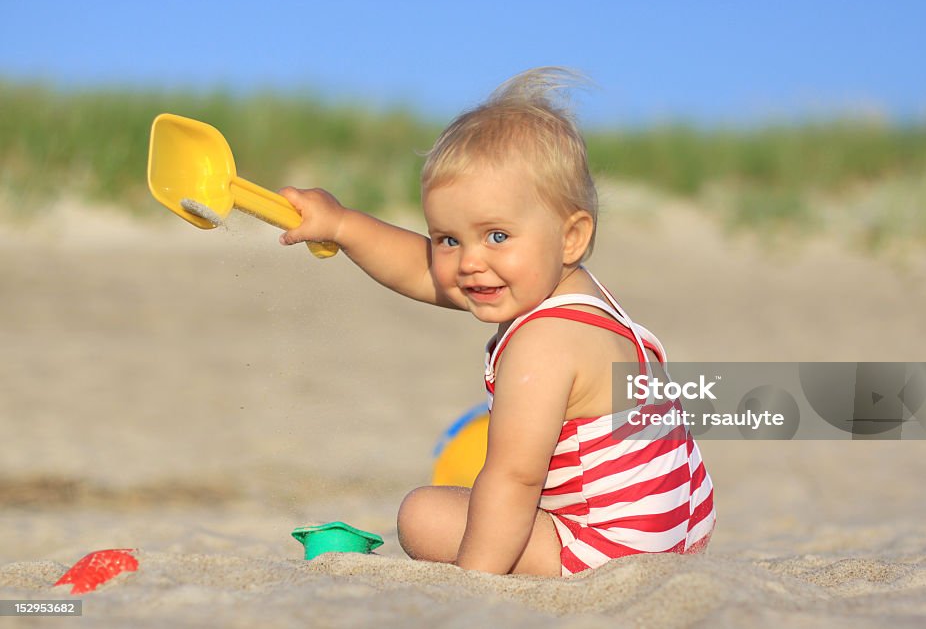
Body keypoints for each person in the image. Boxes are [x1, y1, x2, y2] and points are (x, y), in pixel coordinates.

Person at [278, 67, 715, 577]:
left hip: (609, 550)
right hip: (680, 526)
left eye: (497, 236)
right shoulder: (573, 292)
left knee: (423, 516)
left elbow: (514, 479)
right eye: (448, 238)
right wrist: (342, 225)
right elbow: (422, 271)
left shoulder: (543, 343)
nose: (469, 262)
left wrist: (474, 583)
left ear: (571, 236)